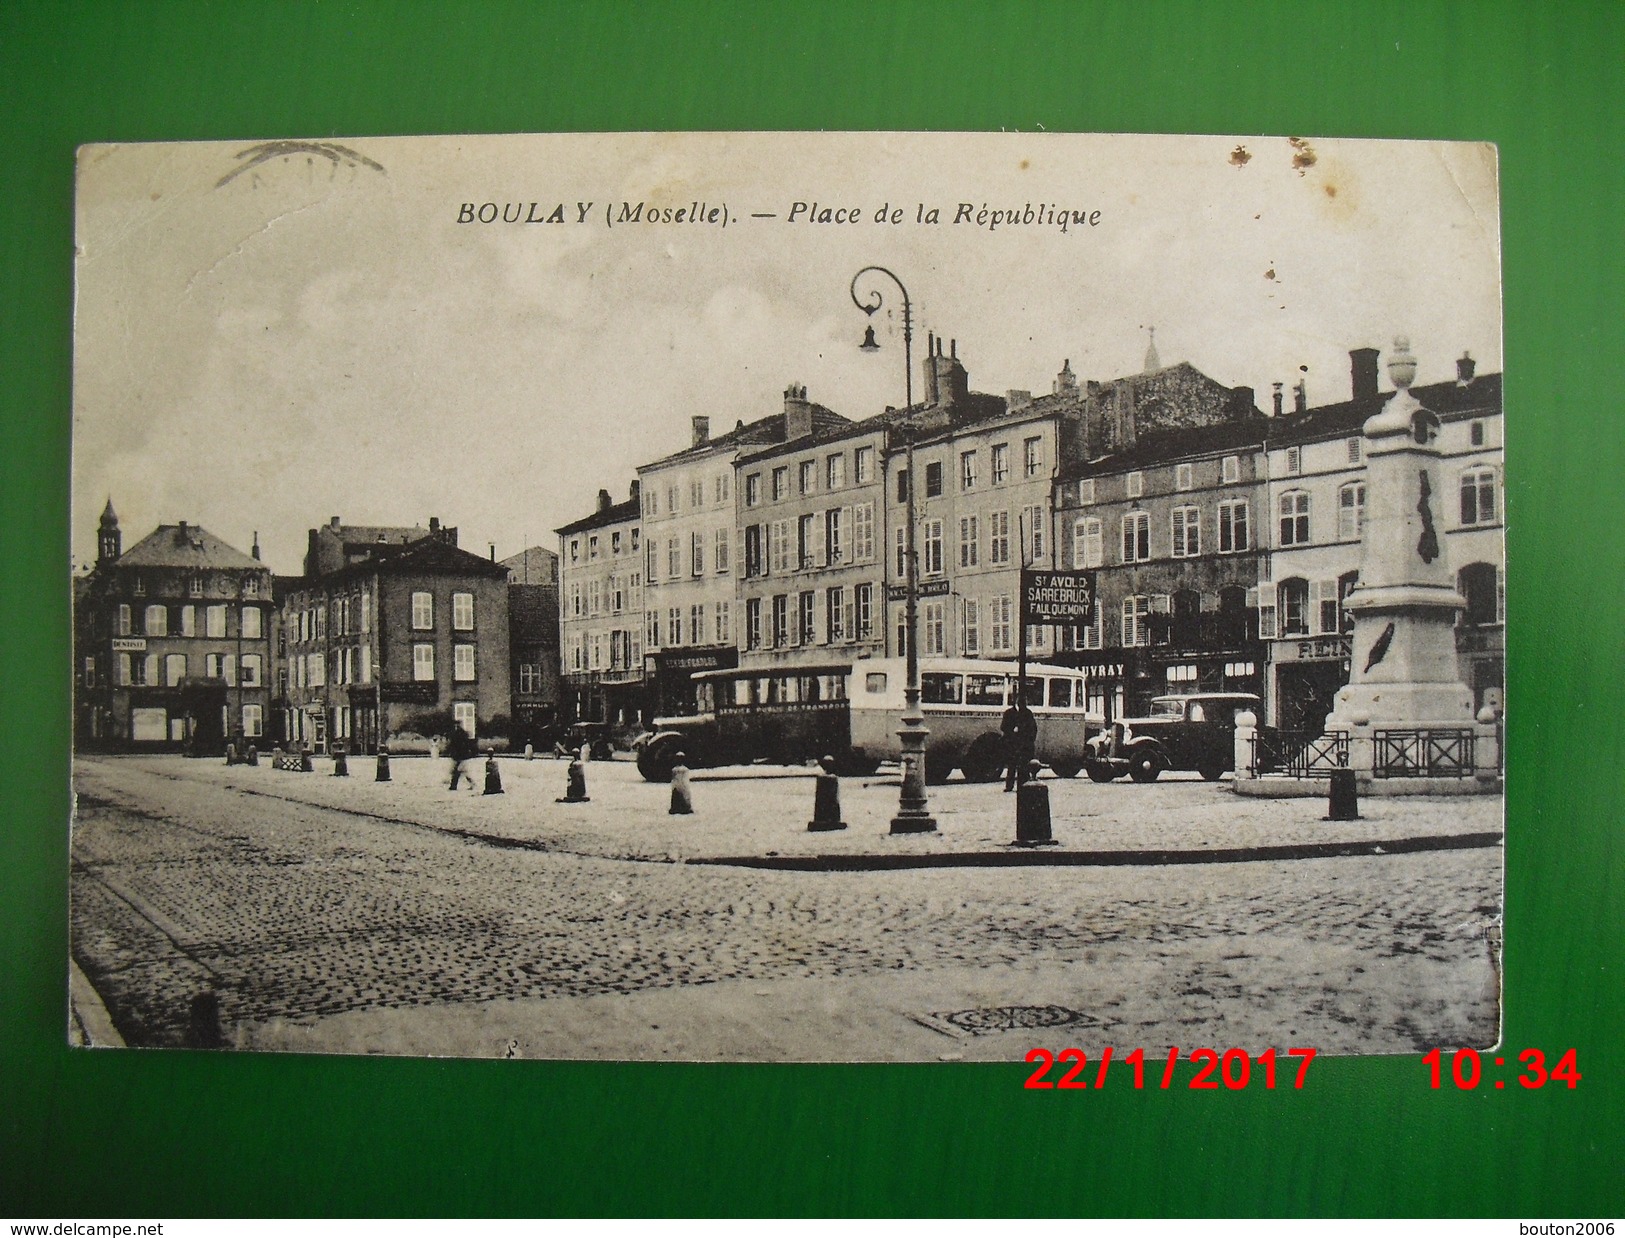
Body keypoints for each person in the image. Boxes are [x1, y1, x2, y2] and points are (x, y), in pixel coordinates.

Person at [1001, 689, 1038, 791]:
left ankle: (1023, 785)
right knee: (1012, 766)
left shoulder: (1028, 713)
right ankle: (1009, 786)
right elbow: (1003, 727)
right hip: (1012, 744)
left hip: (1024, 744)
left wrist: (1029, 740)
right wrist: (1012, 731)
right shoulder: (1009, 713)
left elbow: (1033, 728)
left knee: (1024, 766)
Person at [446, 724, 477, 791]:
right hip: (461, 756)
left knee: (459, 771)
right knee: (459, 771)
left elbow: (454, 745)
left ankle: (454, 786)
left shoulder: (457, 735)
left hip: (460, 757)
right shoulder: (462, 735)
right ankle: (454, 786)